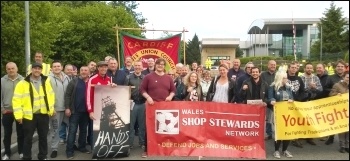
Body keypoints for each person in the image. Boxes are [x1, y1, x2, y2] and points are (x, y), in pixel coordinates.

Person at [13, 62, 55, 160]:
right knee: (28, 138)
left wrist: (51, 109)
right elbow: (16, 100)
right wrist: (18, 115)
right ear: (31, 70)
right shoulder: (22, 83)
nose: (37, 70)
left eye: (39, 69)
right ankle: (27, 157)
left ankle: (42, 156)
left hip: (43, 114)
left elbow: (51, 96)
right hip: (29, 116)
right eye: (35, 68)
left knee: (43, 137)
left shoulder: (46, 81)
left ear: (41, 70)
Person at [140, 58, 176, 158]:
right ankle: (147, 150)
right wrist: (148, 97)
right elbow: (142, 89)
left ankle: (163, 148)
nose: (160, 66)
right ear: (155, 65)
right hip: (151, 106)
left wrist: (170, 96)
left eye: (162, 64)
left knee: (164, 127)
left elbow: (173, 90)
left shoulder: (168, 78)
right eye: (159, 64)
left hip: (164, 107)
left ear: (164, 66)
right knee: (150, 128)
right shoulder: (148, 77)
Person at [86, 61, 116, 150]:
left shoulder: (109, 79)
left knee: (106, 129)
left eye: (105, 67)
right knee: (95, 131)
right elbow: (88, 96)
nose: (103, 69)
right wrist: (90, 111)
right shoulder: (92, 79)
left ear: (107, 68)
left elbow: (111, 94)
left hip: (106, 110)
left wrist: (114, 87)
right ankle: (95, 151)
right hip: (96, 109)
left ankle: (105, 149)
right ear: (98, 68)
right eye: (101, 67)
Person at [65, 66, 91, 159]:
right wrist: (67, 108)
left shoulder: (90, 82)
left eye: (86, 70)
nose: (84, 72)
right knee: (72, 131)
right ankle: (69, 151)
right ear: (79, 72)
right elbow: (67, 95)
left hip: (86, 112)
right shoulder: (74, 81)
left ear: (89, 72)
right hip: (75, 111)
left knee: (84, 131)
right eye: (82, 70)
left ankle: (82, 147)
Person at [268, 71, 294, 159]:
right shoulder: (273, 87)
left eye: (286, 77)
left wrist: (291, 100)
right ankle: (276, 150)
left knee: (288, 132)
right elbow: (270, 97)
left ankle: (285, 150)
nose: (286, 79)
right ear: (280, 78)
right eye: (284, 78)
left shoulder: (289, 87)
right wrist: (272, 100)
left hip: (287, 113)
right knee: (278, 132)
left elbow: (292, 98)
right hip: (277, 113)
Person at [1, 62, 24, 160]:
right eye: (8, 69)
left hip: (20, 112)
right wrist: (2, 109)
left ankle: (21, 152)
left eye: (12, 68)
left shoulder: (23, 80)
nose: (11, 70)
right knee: (7, 135)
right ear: (6, 70)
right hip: (7, 112)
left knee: (21, 134)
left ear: (17, 68)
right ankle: (7, 153)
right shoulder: (2, 81)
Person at [48, 61, 71, 158]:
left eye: (58, 66)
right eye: (54, 66)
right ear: (51, 68)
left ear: (62, 67)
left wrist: (69, 107)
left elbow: (70, 93)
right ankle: (54, 149)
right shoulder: (48, 79)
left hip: (67, 108)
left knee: (72, 128)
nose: (57, 68)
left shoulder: (67, 77)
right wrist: (51, 108)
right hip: (55, 109)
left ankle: (71, 145)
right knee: (55, 130)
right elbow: (47, 95)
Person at [124, 60, 146, 149]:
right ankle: (130, 143)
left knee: (142, 125)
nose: (137, 67)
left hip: (142, 103)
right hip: (132, 103)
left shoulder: (145, 78)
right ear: (134, 66)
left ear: (142, 67)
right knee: (131, 125)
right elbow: (125, 90)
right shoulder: (128, 77)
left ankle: (142, 142)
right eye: (136, 65)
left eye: (139, 65)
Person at [324, 60, 347, 145]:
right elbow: (325, 89)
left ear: (345, 68)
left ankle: (345, 142)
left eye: (342, 66)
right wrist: (336, 92)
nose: (340, 68)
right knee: (332, 121)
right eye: (338, 66)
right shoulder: (330, 77)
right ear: (335, 68)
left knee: (344, 122)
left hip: (345, 105)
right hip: (334, 104)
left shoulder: (347, 77)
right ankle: (331, 137)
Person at [329, 71, 349, 153]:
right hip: (341, 111)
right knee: (342, 129)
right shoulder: (337, 85)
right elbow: (330, 94)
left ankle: (347, 146)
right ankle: (342, 146)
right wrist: (336, 95)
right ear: (343, 77)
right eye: (347, 77)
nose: (348, 79)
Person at [260, 60, 277, 140]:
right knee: (268, 118)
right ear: (268, 65)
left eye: (274, 65)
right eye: (271, 64)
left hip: (276, 99)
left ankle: (277, 133)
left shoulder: (278, 75)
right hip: (266, 98)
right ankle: (269, 133)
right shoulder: (263, 75)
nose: (273, 66)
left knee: (276, 118)